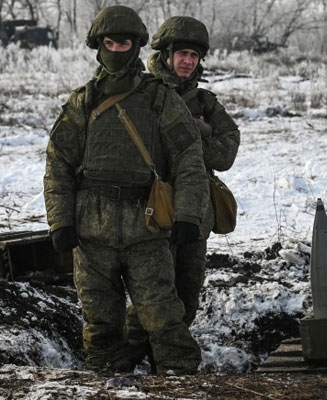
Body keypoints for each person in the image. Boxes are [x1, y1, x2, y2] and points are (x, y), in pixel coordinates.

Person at [43, 6, 208, 375]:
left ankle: (182, 384)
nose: (118, 50)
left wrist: (187, 214)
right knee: (100, 324)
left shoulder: (160, 99)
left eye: (126, 43)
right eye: (110, 42)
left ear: (137, 47)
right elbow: (58, 164)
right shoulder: (82, 102)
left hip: (147, 229)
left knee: (164, 319)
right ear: (98, 46)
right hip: (92, 231)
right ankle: (105, 383)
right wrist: (60, 222)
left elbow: (188, 158)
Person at [124, 16, 240, 371]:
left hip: (196, 210)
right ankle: (125, 361)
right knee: (154, 296)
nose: (188, 61)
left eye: (194, 55)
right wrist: (194, 137)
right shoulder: (141, 92)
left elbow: (226, 152)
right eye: (181, 54)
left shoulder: (205, 102)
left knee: (187, 293)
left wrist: (195, 137)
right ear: (166, 54)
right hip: (152, 208)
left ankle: (162, 365)